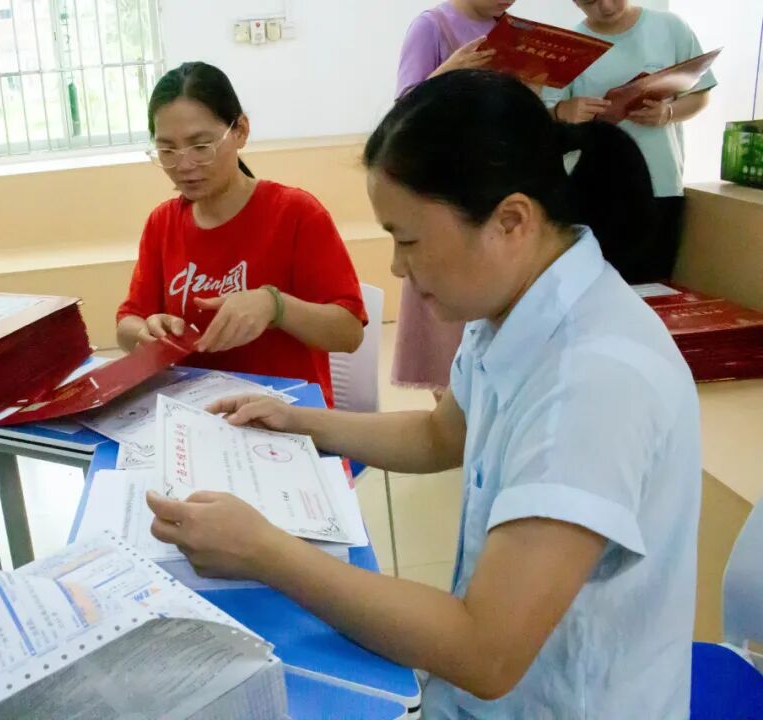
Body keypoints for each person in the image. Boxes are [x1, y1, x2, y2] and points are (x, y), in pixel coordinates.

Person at [146, 70, 701, 717]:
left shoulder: (593, 383)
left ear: (511, 221)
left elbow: (485, 652)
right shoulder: (513, 308)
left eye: (408, 240)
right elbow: (443, 434)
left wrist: (265, 551)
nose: (397, 268)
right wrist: (298, 422)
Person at [115, 62, 367, 407]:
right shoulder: (163, 223)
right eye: (168, 150)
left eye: (201, 146)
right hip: (194, 411)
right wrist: (147, 332)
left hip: (284, 413)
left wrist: (275, 306)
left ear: (241, 131)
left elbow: (349, 333)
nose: (184, 166)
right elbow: (127, 325)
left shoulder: (295, 214)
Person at [391, 0, 516, 391]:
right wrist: (447, 73)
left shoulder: (512, 29)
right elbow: (402, 116)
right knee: (446, 330)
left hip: (496, 188)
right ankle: (452, 418)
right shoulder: (432, 26)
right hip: (445, 195)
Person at [547, 0, 716, 282]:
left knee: (651, 285)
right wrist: (562, 111)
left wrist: (668, 113)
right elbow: (543, 121)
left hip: (660, 185)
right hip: (594, 189)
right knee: (589, 286)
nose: (606, 6)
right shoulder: (568, 45)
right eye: (590, 1)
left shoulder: (670, 27)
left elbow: (700, 95)